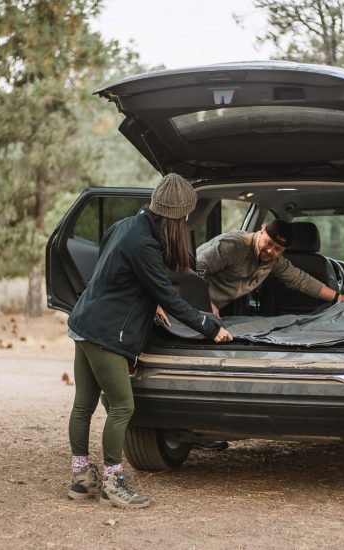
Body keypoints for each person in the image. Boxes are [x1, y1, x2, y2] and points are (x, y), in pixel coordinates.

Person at [66, 173, 233, 509]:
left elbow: (112, 273)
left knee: (84, 404)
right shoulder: (145, 243)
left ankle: (82, 481)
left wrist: (148, 298)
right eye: (187, 217)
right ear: (181, 216)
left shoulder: (125, 226)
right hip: (106, 333)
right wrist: (209, 326)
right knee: (122, 406)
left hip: (83, 322)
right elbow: (169, 297)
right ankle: (114, 483)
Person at [196, 219, 344, 316]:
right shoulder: (234, 245)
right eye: (268, 243)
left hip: (213, 312)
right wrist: (206, 304)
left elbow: (301, 280)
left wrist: (341, 298)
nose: (270, 251)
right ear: (261, 231)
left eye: (278, 249)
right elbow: (194, 267)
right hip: (191, 303)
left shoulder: (274, 261)